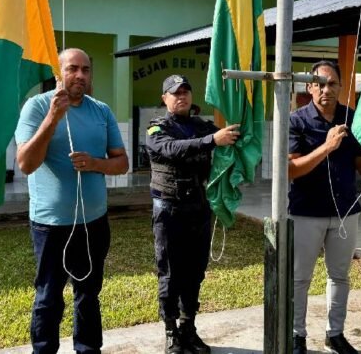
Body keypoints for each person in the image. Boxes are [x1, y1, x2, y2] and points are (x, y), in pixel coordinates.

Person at [15, 48, 129, 354]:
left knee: (89, 293)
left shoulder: (101, 111)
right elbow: (25, 163)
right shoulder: (36, 108)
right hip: (51, 225)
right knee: (49, 296)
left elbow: (122, 163)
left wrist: (95, 163)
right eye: (73, 69)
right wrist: (53, 118)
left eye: (86, 70)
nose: (80, 75)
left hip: (93, 222)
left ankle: (88, 349)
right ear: (58, 74)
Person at [287, 61, 361, 354]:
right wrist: (325, 148)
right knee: (300, 277)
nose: (326, 89)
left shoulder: (352, 119)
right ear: (309, 87)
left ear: (341, 87)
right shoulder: (296, 121)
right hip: (306, 212)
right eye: (320, 83)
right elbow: (291, 169)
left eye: (332, 84)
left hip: (344, 211)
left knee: (339, 276)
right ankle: (296, 335)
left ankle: (335, 334)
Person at [145, 74, 240, 354]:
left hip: (198, 209)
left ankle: (189, 327)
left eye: (186, 91)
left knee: (195, 272)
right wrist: (212, 140)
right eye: (175, 92)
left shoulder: (201, 126)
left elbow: (232, 135)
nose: (181, 96)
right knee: (170, 273)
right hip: (169, 209)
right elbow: (171, 149)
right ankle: (171, 331)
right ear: (164, 98)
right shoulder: (156, 128)